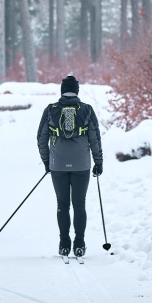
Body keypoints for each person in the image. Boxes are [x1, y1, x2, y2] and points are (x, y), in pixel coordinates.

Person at [36, 75, 103, 259]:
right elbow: (95, 138)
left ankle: (64, 244)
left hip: (58, 166)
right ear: (77, 91)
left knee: (62, 204)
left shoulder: (51, 110)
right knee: (79, 204)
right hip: (81, 165)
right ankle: (79, 244)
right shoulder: (87, 110)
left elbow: (41, 139)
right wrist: (98, 162)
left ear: (61, 90)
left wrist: (47, 162)